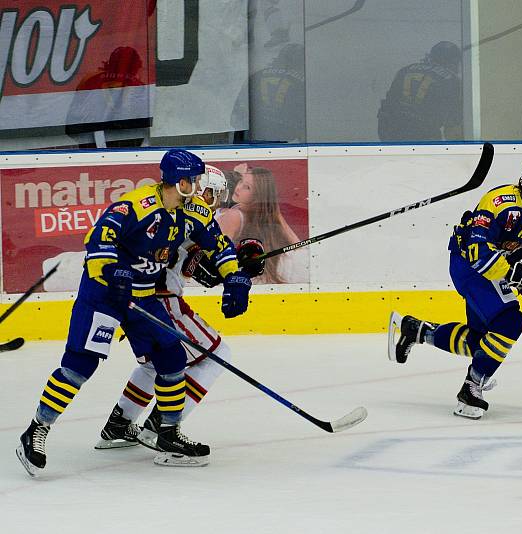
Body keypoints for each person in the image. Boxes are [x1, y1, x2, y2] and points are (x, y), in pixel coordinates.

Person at [16, 149, 253, 476]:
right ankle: (37, 429)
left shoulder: (194, 211)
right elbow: (98, 238)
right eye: (194, 180)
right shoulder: (137, 206)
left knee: (170, 356)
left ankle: (168, 433)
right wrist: (113, 272)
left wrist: (235, 277)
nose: (200, 187)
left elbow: (217, 244)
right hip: (103, 293)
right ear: (179, 181)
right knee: (80, 365)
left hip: (142, 297)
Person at [388, 160, 522, 420]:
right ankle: (470, 388)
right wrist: (516, 274)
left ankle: (418, 331)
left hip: (500, 271)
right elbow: (478, 253)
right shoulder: (499, 202)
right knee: (509, 322)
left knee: (482, 342)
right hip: (469, 266)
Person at [94, 165, 265, 465]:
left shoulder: (181, 213)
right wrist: (237, 270)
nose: (215, 201)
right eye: (211, 192)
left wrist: (241, 262)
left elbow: (206, 259)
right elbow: (203, 266)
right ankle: (163, 429)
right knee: (216, 354)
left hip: (138, 301)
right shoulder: (184, 216)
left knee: (154, 365)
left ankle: (119, 424)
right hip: (159, 302)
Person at [216, 166, 305, 284]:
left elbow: (217, 254)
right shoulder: (245, 211)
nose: (238, 188)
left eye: (247, 187)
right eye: (241, 181)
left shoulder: (234, 216)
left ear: (257, 196)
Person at [378, 41, 463, 142]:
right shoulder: (452, 80)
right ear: (453, 62)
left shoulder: (405, 70)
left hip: (389, 127)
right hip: (421, 132)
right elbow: (453, 124)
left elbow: (389, 104)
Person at [234, 43, 306, 143]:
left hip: (249, 141)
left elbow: (236, 115)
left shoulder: (256, 76)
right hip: (282, 141)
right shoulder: (302, 83)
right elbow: (303, 121)